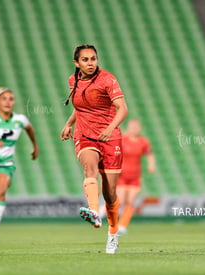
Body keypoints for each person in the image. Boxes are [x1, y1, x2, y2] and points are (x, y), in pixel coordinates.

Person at [60, 44, 128, 254]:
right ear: (77, 63)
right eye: (86, 60)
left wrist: (110, 128)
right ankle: (93, 211)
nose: (90, 63)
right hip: (85, 134)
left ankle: (113, 233)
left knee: (110, 193)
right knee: (89, 168)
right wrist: (69, 123)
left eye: (93, 59)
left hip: (110, 137)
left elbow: (123, 109)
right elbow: (80, 107)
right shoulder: (74, 80)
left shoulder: (108, 79)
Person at [0, 87, 38, 242]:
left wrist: (35, 146)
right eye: (4, 99)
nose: (8, 102)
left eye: (11, 99)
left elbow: (29, 128)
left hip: (5, 165)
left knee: (1, 191)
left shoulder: (19, 120)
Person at [99, 119, 155, 234]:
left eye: (136, 127)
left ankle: (122, 225)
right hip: (122, 175)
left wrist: (151, 165)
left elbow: (149, 154)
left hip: (135, 176)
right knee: (120, 200)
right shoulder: (122, 140)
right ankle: (103, 210)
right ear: (128, 128)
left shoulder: (143, 141)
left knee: (130, 201)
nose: (134, 129)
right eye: (132, 126)